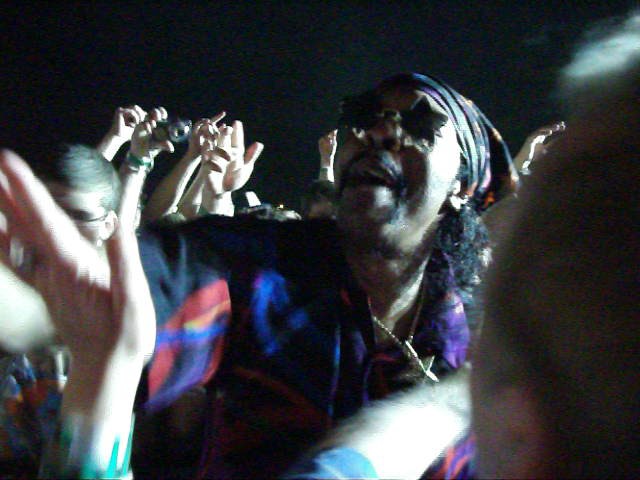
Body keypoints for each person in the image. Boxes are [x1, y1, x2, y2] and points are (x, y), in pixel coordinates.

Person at [0, 71, 516, 478]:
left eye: (419, 123)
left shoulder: (484, 336)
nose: (376, 131)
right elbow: (122, 296)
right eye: (363, 115)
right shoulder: (260, 272)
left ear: (463, 184)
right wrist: (42, 308)